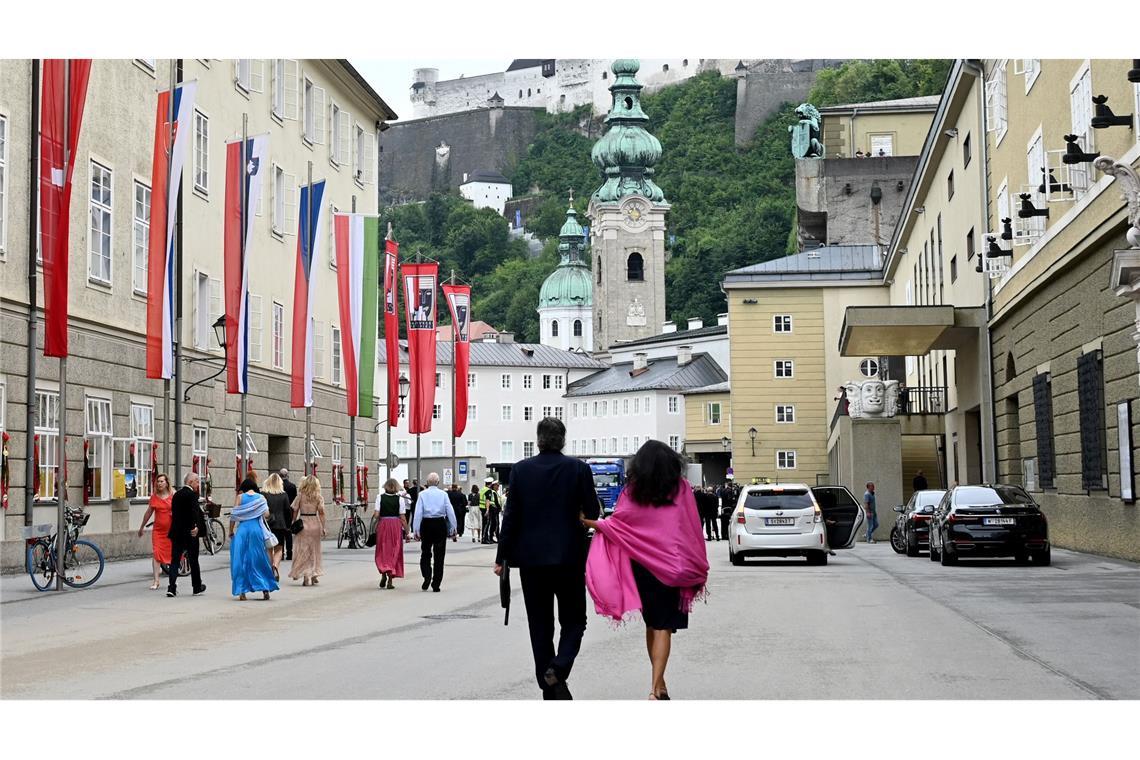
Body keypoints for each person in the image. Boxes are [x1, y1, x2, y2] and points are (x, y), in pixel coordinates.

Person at [583, 440, 710, 700]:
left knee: (653, 624)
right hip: (674, 567)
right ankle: (655, 689)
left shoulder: (633, 491)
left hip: (642, 567)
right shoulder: (682, 488)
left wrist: (590, 522)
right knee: (663, 626)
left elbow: (619, 524)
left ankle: (659, 684)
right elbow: (691, 527)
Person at [494, 418, 599, 700]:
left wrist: (501, 556)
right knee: (575, 620)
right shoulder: (578, 469)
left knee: (539, 625)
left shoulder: (520, 470)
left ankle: (551, 687)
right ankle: (559, 667)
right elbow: (592, 511)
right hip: (569, 558)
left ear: (538, 440)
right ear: (562, 440)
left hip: (531, 561)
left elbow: (511, 517)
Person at [229, 477, 279, 601]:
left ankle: (242, 591)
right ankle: (265, 587)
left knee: (241, 559)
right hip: (256, 530)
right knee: (259, 558)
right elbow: (266, 514)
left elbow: (234, 515)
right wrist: (255, 512)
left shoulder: (240, 498)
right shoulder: (261, 498)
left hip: (243, 530)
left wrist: (231, 531)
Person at [412, 472, 457, 592]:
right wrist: (453, 527)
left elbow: (418, 513)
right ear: (438, 482)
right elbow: (450, 511)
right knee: (439, 555)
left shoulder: (422, 494)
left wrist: (415, 529)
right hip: (439, 524)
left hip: (426, 524)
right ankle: (436, 583)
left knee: (425, 552)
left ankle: (426, 576)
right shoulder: (443, 494)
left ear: (427, 483)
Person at [167, 473, 207, 598]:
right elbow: (194, 513)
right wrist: (196, 527)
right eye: (196, 482)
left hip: (177, 533)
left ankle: (172, 588)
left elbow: (176, 514)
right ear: (190, 482)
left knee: (174, 560)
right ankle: (196, 587)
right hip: (190, 533)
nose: (198, 485)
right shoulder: (192, 495)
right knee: (193, 560)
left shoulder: (176, 495)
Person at [137, 472, 174, 590]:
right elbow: (148, 513)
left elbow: (180, 508)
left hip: (171, 531)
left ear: (167, 483)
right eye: (158, 481)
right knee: (156, 553)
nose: (159, 483)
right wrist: (142, 527)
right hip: (158, 531)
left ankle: (172, 580)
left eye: (162, 481)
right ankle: (156, 581)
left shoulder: (173, 494)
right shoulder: (154, 497)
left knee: (172, 555)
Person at [290, 475, 327, 586]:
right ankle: (313, 573)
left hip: (303, 523)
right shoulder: (318, 497)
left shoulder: (300, 496)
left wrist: (293, 521)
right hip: (314, 524)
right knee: (314, 550)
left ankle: (306, 575)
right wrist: (323, 526)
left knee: (302, 550)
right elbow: (321, 513)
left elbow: (295, 510)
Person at [374, 478, 408, 589]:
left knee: (383, 550)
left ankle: (383, 573)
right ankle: (390, 579)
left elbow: (376, 514)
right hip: (395, 525)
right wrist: (407, 531)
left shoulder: (380, 498)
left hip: (383, 524)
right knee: (394, 550)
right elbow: (402, 517)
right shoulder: (400, 500)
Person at [262, 473, 291, 581]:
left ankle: (270, 569)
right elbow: (288, 511)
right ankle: (275, 566)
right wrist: (288, 525)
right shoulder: (283, 495)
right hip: (280, 524)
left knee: (269, 548)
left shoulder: (263, 494)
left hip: (267, 525)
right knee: (279, 548)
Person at [279, 468, 297, 560]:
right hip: (289, 511)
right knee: (288, 533)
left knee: (281, 533)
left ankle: (281, 553)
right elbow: (295, 500)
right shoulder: (292, 486)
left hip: (280, 512)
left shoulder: (278, 486)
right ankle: (289, 553)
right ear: (287, 475)